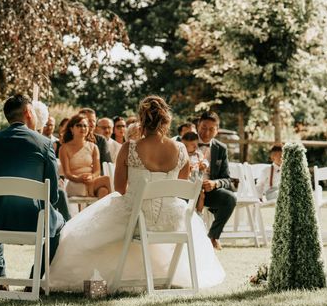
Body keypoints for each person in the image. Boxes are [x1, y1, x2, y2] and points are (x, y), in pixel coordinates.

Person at [49, 96, 225, 292]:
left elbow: (120, 189)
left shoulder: (130, 147)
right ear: (165, 120)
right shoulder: (181, 149)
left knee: (80, 235)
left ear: (143, 119)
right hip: (173, 220)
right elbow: (180, 186)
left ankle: (107, 279)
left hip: (136, 218)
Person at [0, 94, 67, 289]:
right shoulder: (45, 144)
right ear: (28, 112)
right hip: (33, 221)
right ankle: (33, 280)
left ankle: (1, 278)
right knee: (61, 225)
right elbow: (53, 196)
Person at [197, 111, 236, 250]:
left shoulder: (221, 148)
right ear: (197, 126)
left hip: (209, 192)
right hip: (187, 190)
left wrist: (215, 184)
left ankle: (213, 236)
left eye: (211, 129)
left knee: (230, 198)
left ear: (217, 130)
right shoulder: (185, 142)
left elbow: (227, 179)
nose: (206, 132)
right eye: (204, 127)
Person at [60, 114, 111, 199]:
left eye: (85, 126)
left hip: (91, 180)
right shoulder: (64, 148)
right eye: (79, 125)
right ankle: (122, 208)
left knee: (103, 191)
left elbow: (97, 171)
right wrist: (79, 178)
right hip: (74, 183)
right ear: (71, 128)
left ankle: (98, 212)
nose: (83, 128)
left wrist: (91, 177)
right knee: (108, 180)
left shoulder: (93, 147)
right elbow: (67, 174)